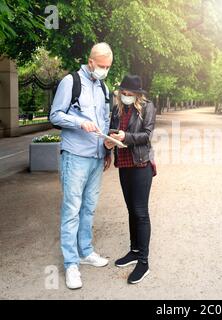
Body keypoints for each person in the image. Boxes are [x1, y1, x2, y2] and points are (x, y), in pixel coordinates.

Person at [49, 42, 113, 290]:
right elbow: (55, 115)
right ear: (91, 62)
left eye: (108, 67)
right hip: (75, 156)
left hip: (97, 157)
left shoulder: (104, 87)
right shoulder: (71, 81)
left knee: (89, 208)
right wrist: (78, 122)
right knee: (72, 209)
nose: (105, 70)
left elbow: (105, 121)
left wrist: (107, 148)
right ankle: (71, 264)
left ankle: (86, 252)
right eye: (102, 66)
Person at [104, 74, 157, 284]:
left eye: (129, 93)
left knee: (141, 212)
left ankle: (143, 262)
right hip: (124, 164)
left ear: (138, 94)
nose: (125, 96)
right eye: (123, 92)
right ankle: (134, 250)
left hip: (141, 164)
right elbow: (113, 131)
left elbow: (146, 135)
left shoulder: (147, 107)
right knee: (130, 210)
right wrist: (108, 143)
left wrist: (125, 137)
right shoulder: (118, 108)